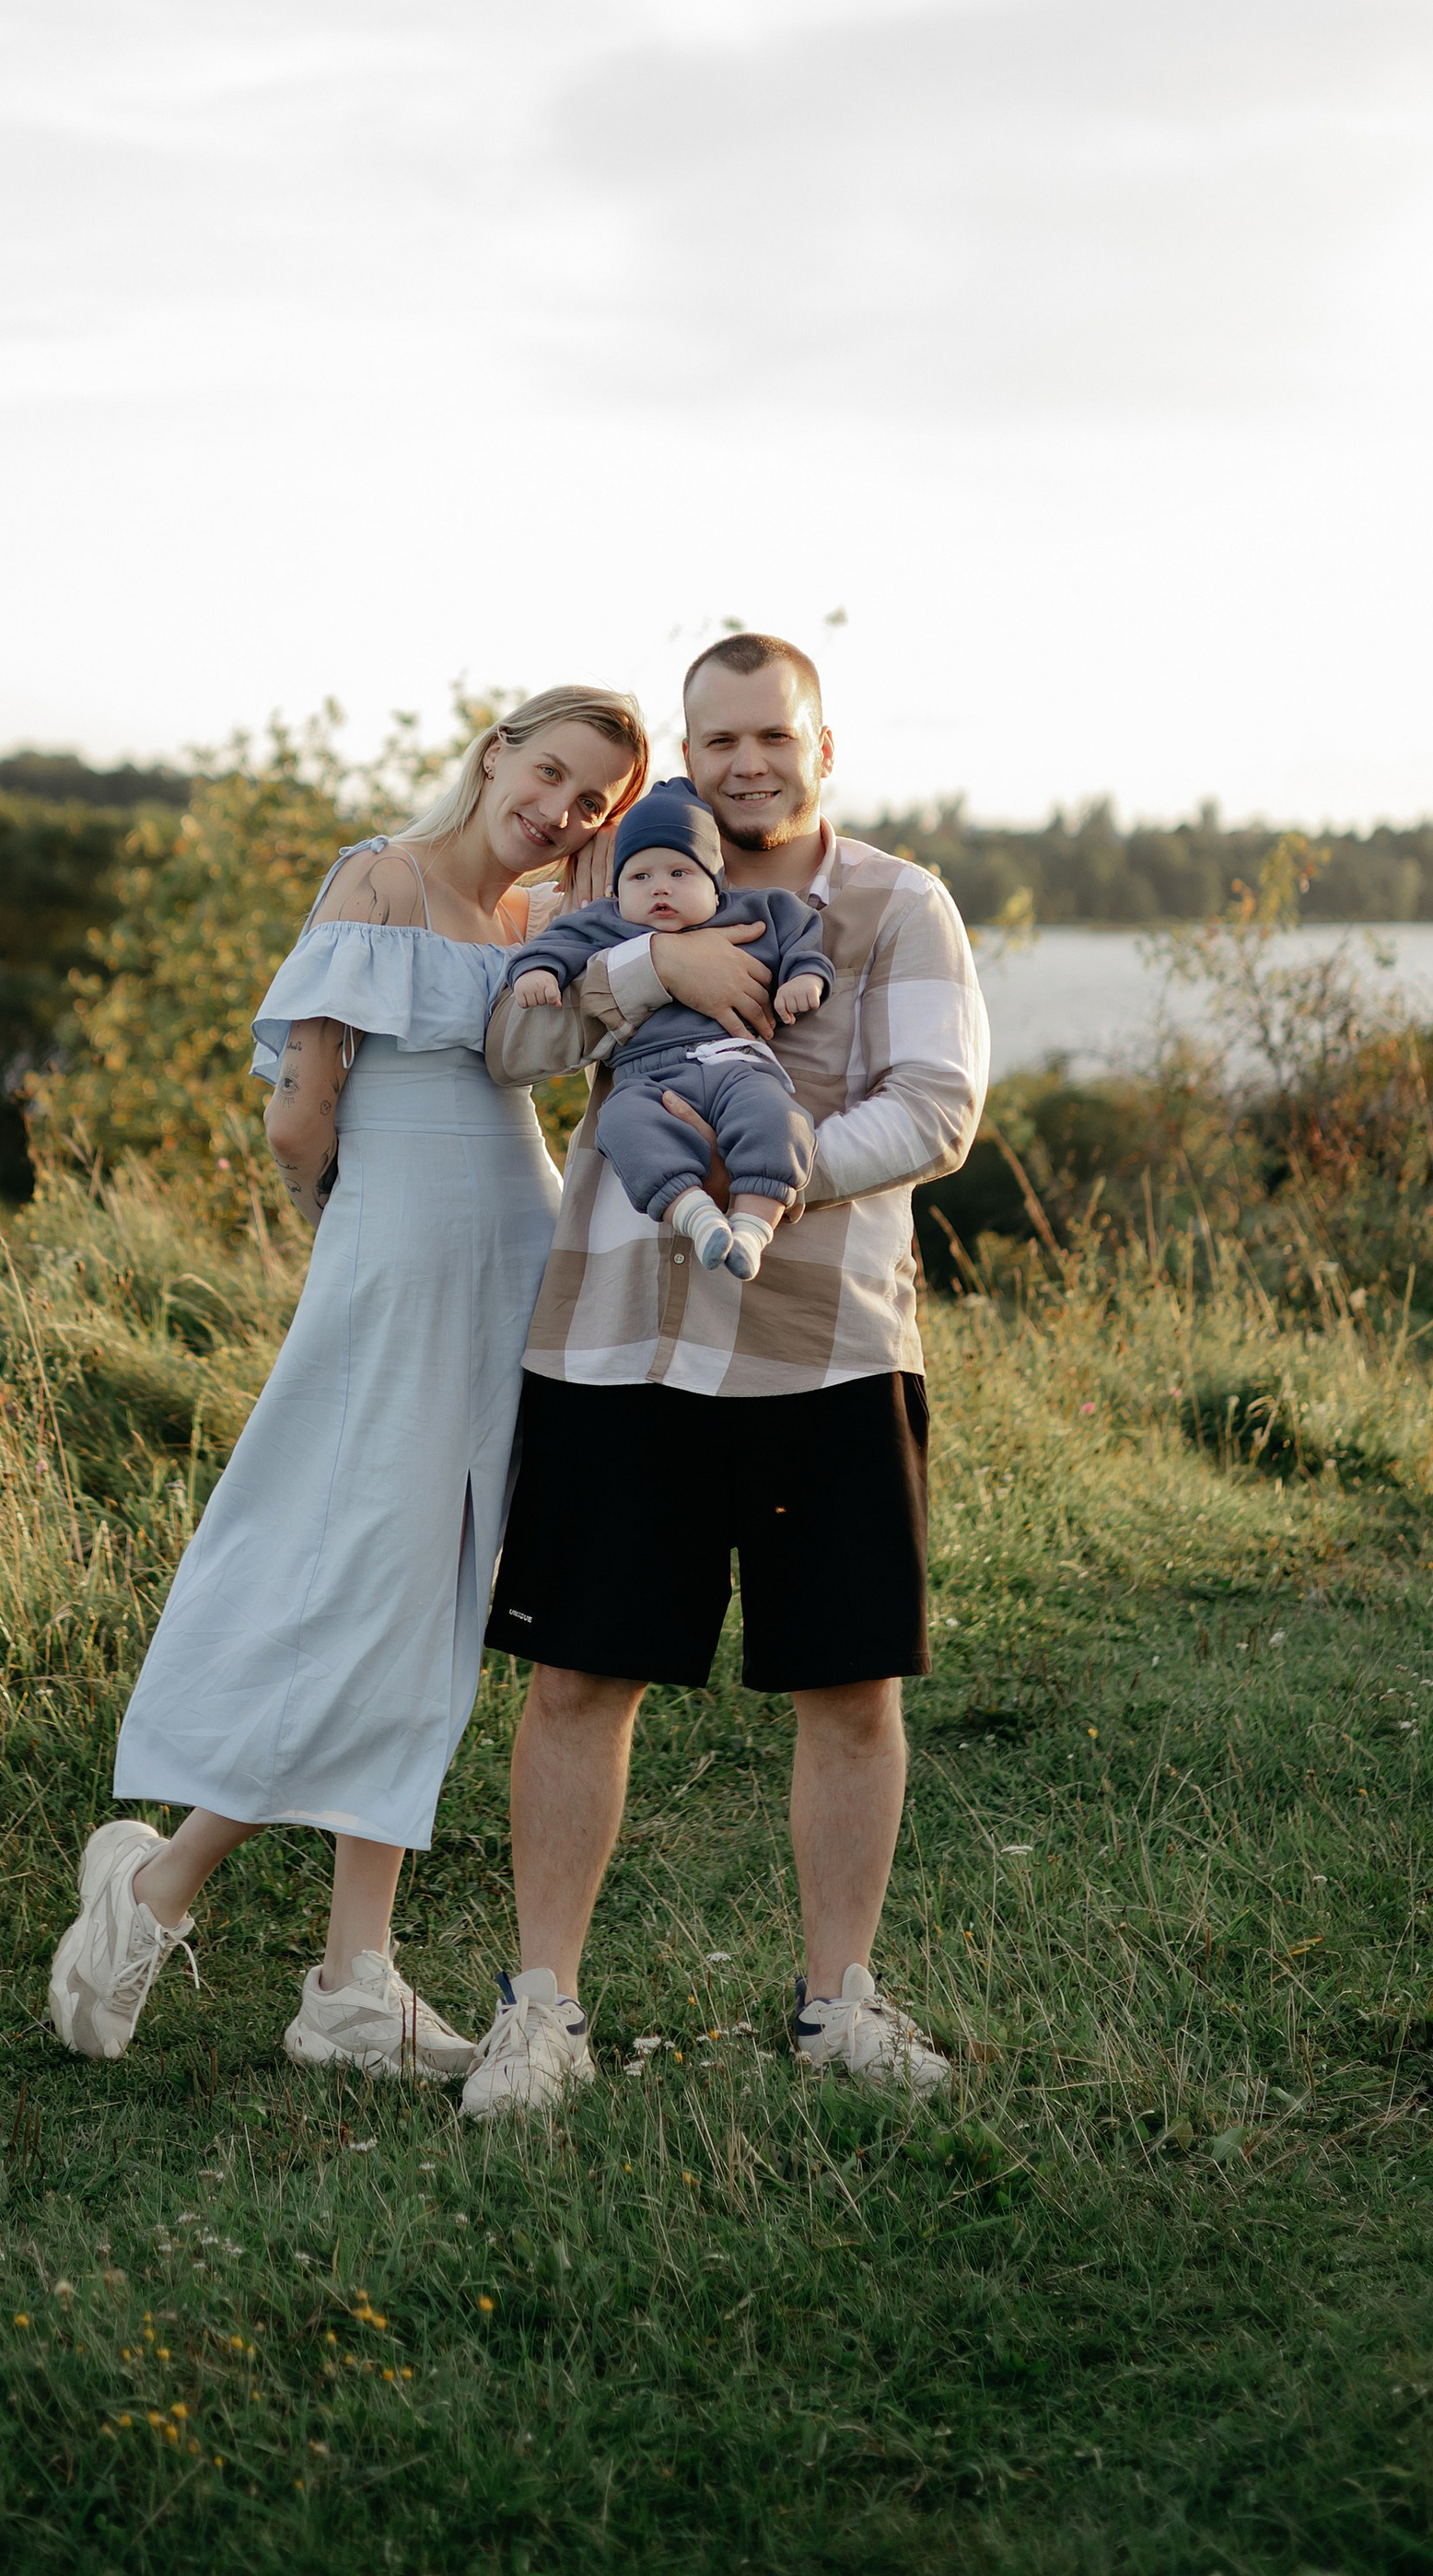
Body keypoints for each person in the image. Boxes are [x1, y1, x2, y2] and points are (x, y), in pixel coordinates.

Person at [47, 684, 648, 2082]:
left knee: (432, 1609)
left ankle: (351, 1982)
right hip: (396, 1283)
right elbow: (298, 1116)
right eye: (549, 773)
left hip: (517, 1281)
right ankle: (158, 1892)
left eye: (591, 804)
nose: (558, 810)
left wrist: (611, 896)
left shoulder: (536, 931)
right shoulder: (380, 877)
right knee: (358, 1591)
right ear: (496, 753)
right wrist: (360, 1241)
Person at [464, 632, 988, 2118]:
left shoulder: (897, 904)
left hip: (826, 1345)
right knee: (575, 1677)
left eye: (772, 735)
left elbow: (938, 1111)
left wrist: (764, 1174)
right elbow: (511, 1041)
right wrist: (650, 963)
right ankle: (541, 2010)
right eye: (718, 741)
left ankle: (840, 2008)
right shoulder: (618, 886)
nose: (746, 762)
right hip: (615, 1338)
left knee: (849, 1687)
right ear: (689, 755)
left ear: (822, 744)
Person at [501, 777, 827, 1279]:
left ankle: (752, 1230)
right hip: (646, 1078)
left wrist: (805, 977)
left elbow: (802, 931)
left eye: (680, 872)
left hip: (736, 1061)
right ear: (616, 890)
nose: (660, 888)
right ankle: (697, 1218)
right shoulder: (608, 922)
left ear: (715, 885)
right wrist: (537, 972)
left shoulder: (755, 910)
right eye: (639, 877)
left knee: (776, 1117)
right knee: (622, 1124)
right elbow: (558, 943)